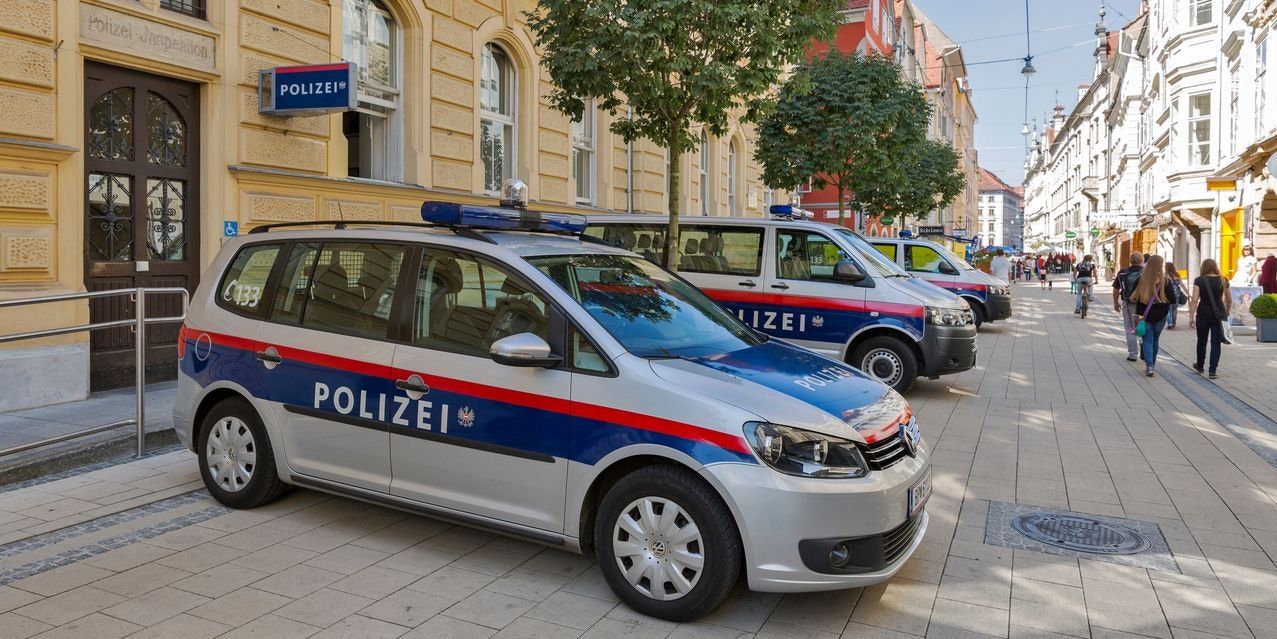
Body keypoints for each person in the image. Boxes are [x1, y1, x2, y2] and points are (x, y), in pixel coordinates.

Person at [1128, 255, 1176, 377]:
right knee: (1155, 340)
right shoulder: (1166, 281)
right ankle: (1152, 364)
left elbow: (1132, 297)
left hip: (1144, 315)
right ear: (1161, 265)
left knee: (1147, 340)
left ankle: (1149, 367)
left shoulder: (1142, 279)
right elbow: (1173, 299)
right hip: (1161, 315)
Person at [1189, 258, 1232, 379]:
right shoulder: (1223, 280)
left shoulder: (1199, 280)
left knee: (1201, 341)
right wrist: (1226, 313)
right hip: (1219, 314)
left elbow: (1194, 299)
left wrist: (1191, 316)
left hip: (1203, 313)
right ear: (1215, 267)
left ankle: (1200, 365)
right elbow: (1229, 299)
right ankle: (1213, 371)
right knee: (1216, 343)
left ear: (1203, 267)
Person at [1113, 252, 1145, 361]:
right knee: (1142, 326)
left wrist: (1116, 303)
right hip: (1143, 304)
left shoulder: (1122, 272)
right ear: (1141, 260)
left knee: (1130, 328)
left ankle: (1132, 354)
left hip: (1127, 303)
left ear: (1130, 260)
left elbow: (1116, 289)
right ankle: (1143, 344)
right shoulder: (1146, 272)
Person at [1165, 261, 1184, 329]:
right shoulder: (1177, 274)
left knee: (1168, 310)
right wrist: (1187, 293)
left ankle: (1170, 323)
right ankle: (1173, 323)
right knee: (1174, 309)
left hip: (1168, 295)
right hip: (1177, 294)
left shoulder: (1165, 275)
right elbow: (1182, 284)